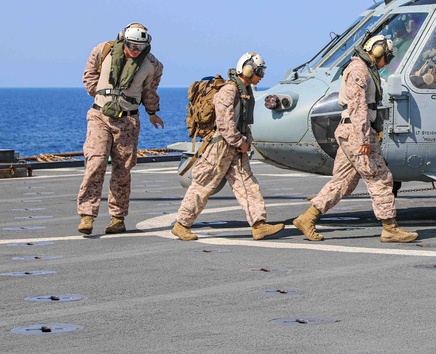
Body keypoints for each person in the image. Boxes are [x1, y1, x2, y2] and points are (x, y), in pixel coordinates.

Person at [293, 35, 418, 243]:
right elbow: (358, 107)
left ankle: (307, 218)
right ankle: (390, 227)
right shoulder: (359, 70)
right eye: (385, 57)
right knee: (380, 177)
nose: (385, 62)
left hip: (352, 131)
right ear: (377, 52)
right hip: (357, 132)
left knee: (343, 182)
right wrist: (364, 140)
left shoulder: (363, 69)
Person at [171, 52, 285, 241]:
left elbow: (242, 122)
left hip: (235, 146)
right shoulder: (229, 90)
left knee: (247, 184)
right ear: (248, 70)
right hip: (220, 147)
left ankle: (259, 224)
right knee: (203, 185)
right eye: (259, 72)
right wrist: (241, 143)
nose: (261, 76)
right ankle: (181, 224)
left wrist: (246, 141)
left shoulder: (246, 91)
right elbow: (225, 125)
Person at [77, 23, 164, 236]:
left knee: (122, 170)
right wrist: (102, 97)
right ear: (123, 41)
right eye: (132, 46)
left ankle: (118, 218)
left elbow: (150, 91)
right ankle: (87, 214)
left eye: (139, 47)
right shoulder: (102, 50)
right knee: (96, 161)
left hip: (128, 121)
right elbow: (89, 76)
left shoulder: (153, 65)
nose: (135, 51)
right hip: (100, 116)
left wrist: (152, 112)